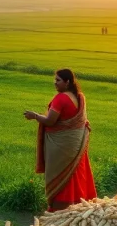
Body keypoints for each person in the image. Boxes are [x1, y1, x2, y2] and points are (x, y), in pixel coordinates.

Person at [25, 69, 97, 211]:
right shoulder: (80, 97)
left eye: (58, 80)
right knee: (75, 171)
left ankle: (61, 207)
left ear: (67, 82)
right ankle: (79, 203)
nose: (55, 83)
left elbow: (50, 121)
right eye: (55, 80)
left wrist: (34, 116)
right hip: (75, 143)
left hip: (60, 145)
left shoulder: (61, 99)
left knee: (60, 173)